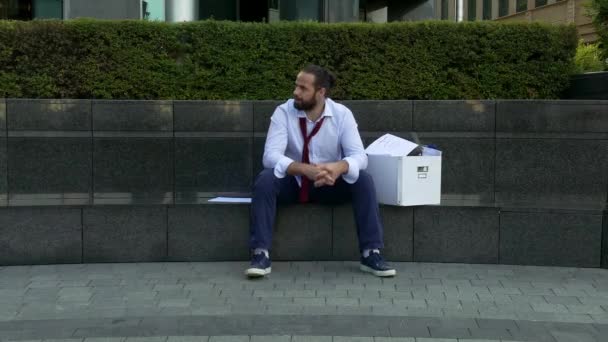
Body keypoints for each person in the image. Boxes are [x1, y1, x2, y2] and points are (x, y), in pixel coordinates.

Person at [246, 64, 396, 278]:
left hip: (329, 183)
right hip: (294, 183)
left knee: (363, 180)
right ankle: (260, 253)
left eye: (303, 88)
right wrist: (303, 169)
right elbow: (270, 156)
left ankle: (371, 252)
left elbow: (359, 156)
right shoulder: (283, 112)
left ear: (321, 92)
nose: (296, 92)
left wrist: (338, 167)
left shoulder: (342, 114)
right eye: (296, 86)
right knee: (265, 179)